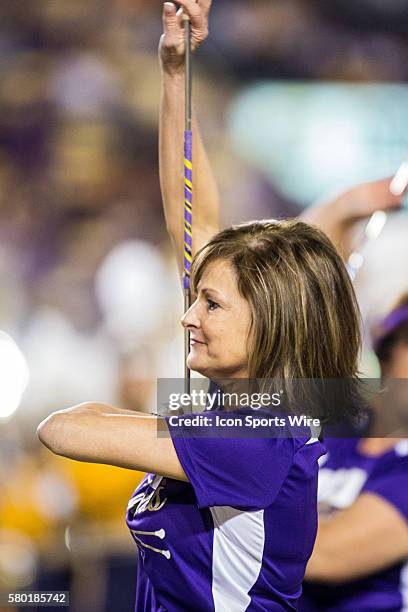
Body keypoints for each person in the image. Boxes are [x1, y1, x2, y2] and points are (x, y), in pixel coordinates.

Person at [37, 2, 363, 610]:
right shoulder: (234, 409)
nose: (188, 317)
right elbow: (194, 217)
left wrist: (124, 418)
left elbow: (62, 427)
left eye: (210, 305)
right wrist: (174, 70)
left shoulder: (254, 435)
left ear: (272, 323)